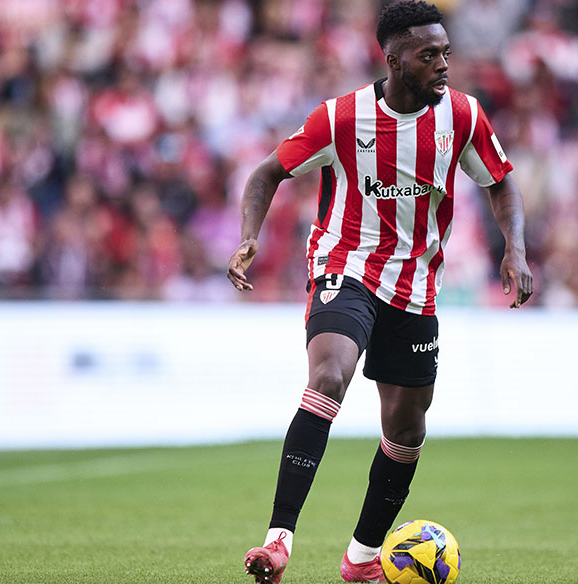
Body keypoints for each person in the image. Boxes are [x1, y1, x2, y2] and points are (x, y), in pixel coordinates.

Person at [226, 2, 533, 582]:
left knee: (407, 428)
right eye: (429, 55)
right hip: (346, 265)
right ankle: (277, 541)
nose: (444, 63)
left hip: (417, 281)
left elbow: (502, 182)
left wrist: (514, 247)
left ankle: (363, 558)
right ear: (392, 59)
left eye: (446, 52)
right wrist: (249, 237)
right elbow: (267, 173)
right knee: (329, 376)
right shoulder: (341, 119)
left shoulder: (464, 117)